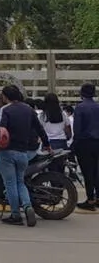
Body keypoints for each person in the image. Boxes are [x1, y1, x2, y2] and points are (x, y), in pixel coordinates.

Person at [0, 85, 49, 226]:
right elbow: (39, 129)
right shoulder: (29, 110)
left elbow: (1, 130)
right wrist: (47, 145)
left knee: (10, 184)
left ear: (6, 97)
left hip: (7, 152)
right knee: (20, 182)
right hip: (23, 153)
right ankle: (27, 206)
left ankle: (15, 215)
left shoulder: (5, 110)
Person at [72, 83, 99, 211]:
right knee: (97, 171)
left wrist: (75, 144)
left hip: (85, 143)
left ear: (81, 93)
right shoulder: (98, 107)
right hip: (97, 142)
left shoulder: (80, 108)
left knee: (87, 172)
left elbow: (77, 129)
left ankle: (90, 199)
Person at [39, 93, 71, 173]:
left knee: (50, 169)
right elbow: (68, 130)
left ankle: (53, 184)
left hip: (48, 144)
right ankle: (61, 184)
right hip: (61, 142)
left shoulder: (42, 116)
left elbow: (40, 130)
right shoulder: (63, 115)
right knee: (61, 168)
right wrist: (68, 138)